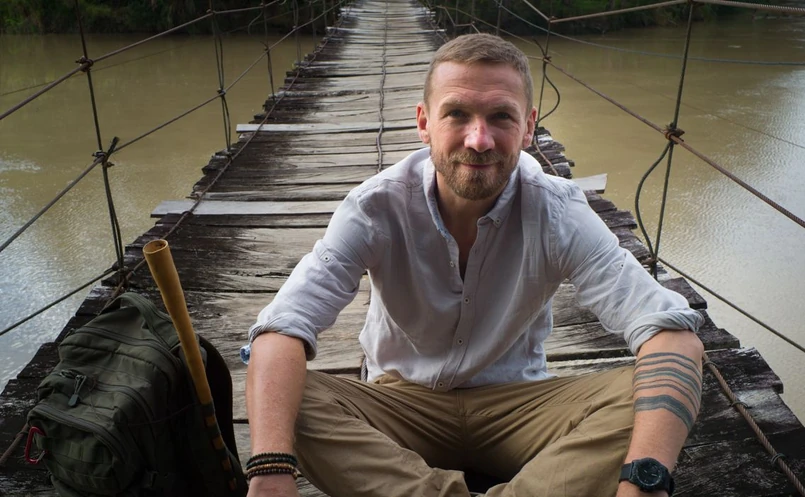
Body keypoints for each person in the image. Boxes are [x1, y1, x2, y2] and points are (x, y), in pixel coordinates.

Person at [242, 33, 704, 497]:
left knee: (656, 392)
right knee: (284, 396)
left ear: (528, 127)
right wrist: (271, 466)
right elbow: (283, 327)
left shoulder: (557, 210)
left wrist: (643, 483)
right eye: (457, 114)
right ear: (424, 123)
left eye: (501, 116)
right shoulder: (375, 208)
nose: (479, 140)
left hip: (519, 407)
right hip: (401, 403)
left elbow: (674, 337)